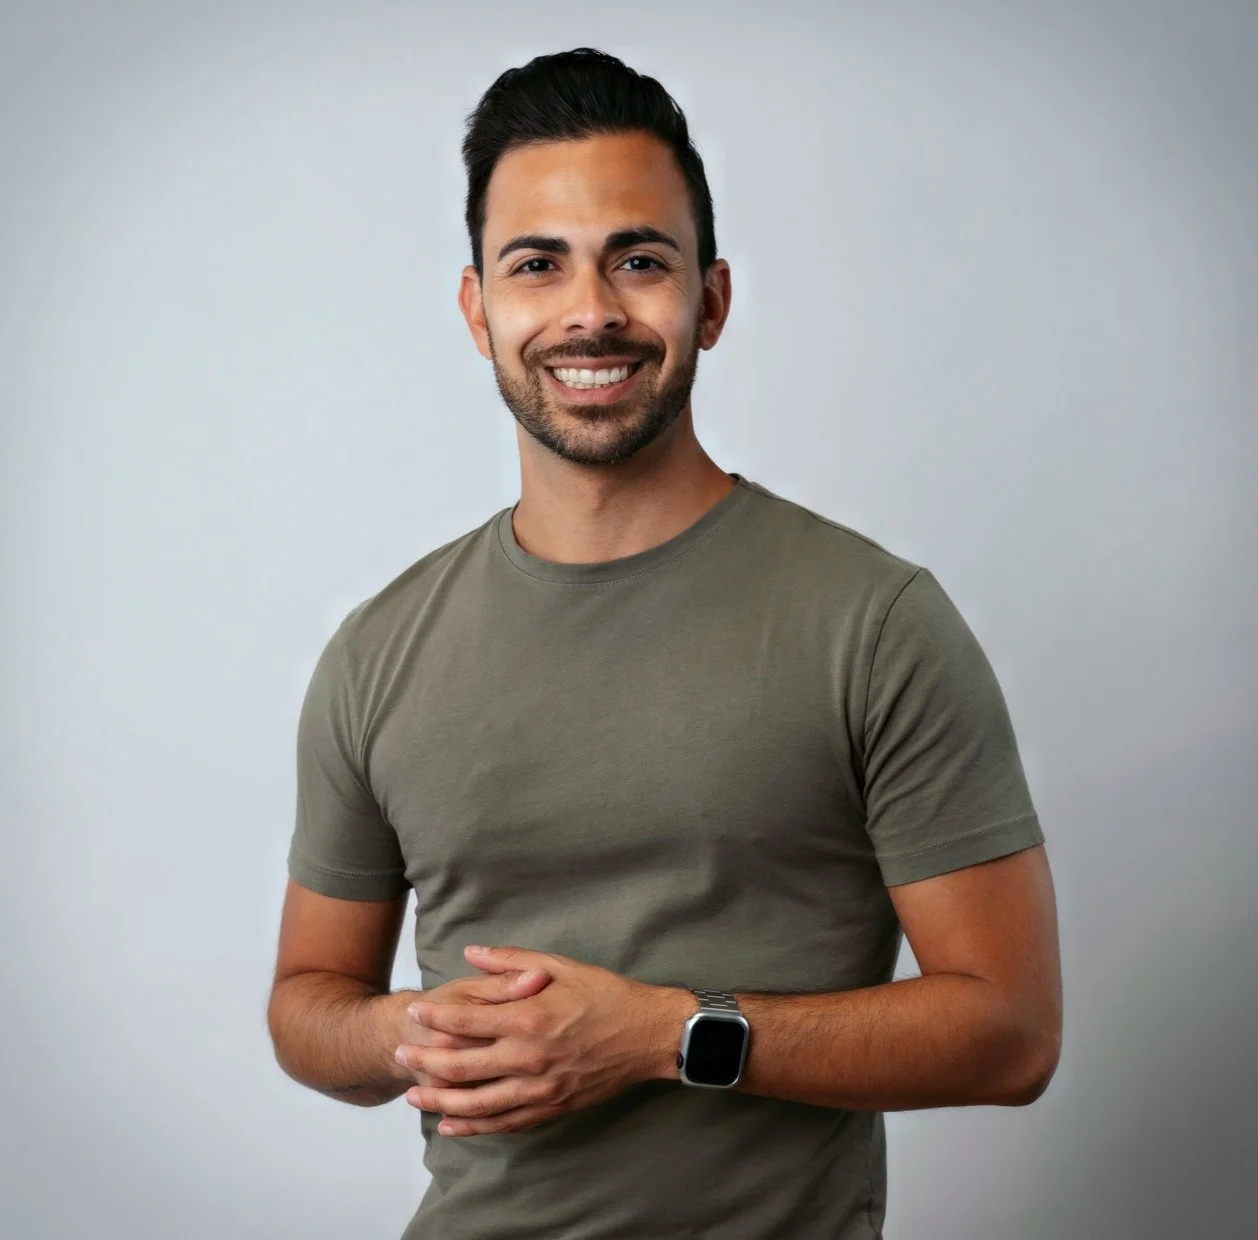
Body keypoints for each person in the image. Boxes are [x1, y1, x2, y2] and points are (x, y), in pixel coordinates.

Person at [266, 47, 1062, 1240]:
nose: (590, 310)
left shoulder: (872, 623)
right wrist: (403, 1032)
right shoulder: (379, 650)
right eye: (538, 265)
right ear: (481, 311)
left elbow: (1011, 1031)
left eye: (639, 260)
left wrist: (659, 1035)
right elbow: (305, 1003)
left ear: (712, 300)